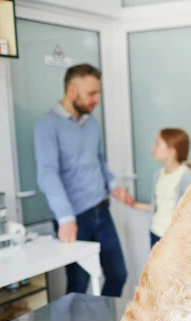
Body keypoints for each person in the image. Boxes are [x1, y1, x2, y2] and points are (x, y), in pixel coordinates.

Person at [34, 63, 133, 297]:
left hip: (102, 210)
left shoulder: (92, 123)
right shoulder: (47, 126)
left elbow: (98, 160)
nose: (97, 99)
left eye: (98, 93)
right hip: (75, 217)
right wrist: (65, 218)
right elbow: (47, 174)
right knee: (79, 285)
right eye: (91, 93)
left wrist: (113, 186)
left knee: (118, 274)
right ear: (71, 90)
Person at [133, 128, 191, 248]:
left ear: (171, 151)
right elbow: (159, 206)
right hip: (155, 233)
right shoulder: (158, 174)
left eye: (157, 144)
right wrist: (135, 205)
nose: (153, 148)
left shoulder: (187, 177)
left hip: (174, 239)